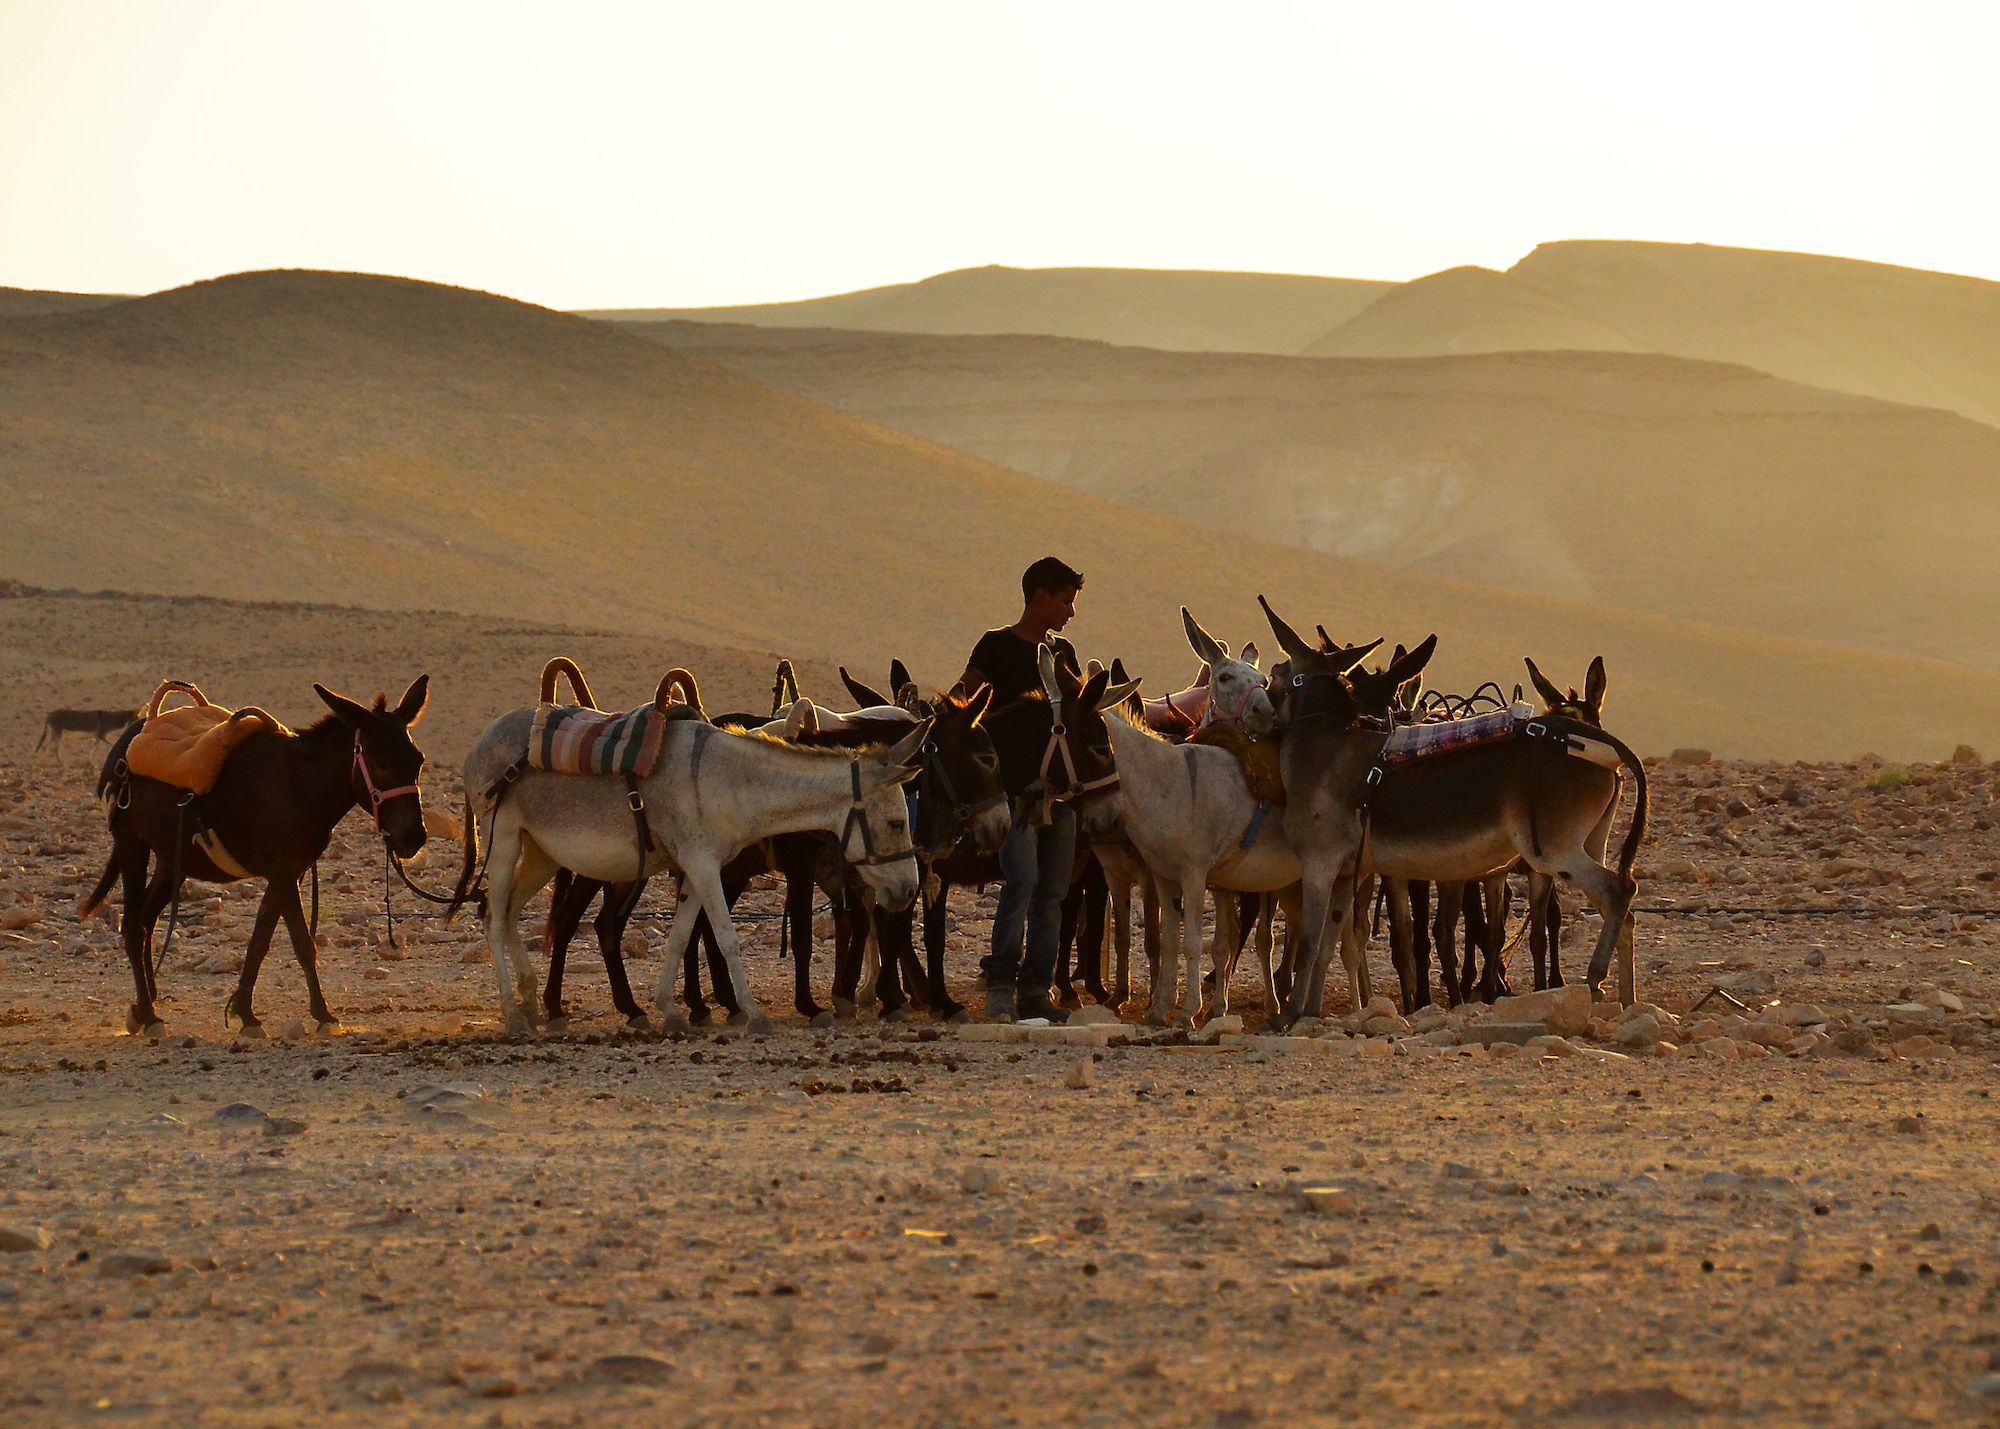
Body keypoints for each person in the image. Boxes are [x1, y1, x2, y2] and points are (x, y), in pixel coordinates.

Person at [959, 556, 1085, 1024]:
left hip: (1059, 795)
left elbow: (1075, 710)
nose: (1070, 613)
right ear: (1040, 598)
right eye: (1066, 602)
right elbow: (962, 702)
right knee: (1022, 882)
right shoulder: (996, 646)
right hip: (1013, 793)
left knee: (1052, 895)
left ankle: (1036, 989)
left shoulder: (1062, 653)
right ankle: (1000, 985)